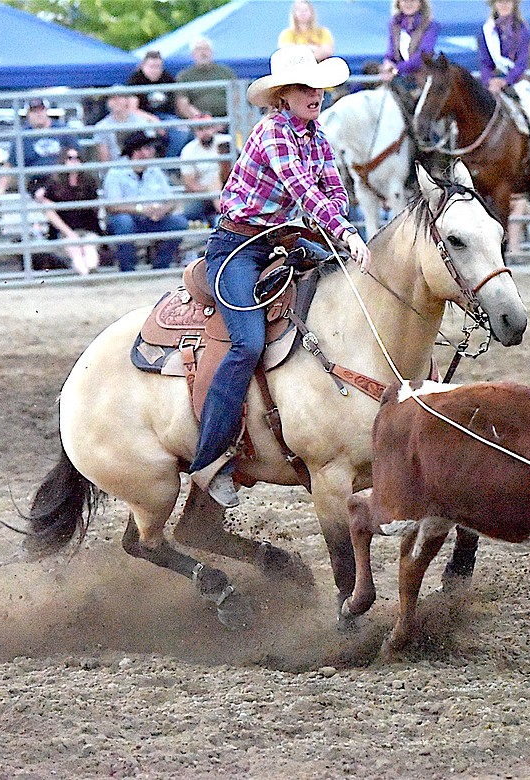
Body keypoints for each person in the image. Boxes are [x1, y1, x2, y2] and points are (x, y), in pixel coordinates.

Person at [188, 45, 370, 508]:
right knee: (247, 343)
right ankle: (211, 461)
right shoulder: (273, 133)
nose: (316, 95)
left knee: (341, 284)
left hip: (280, 241)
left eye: (319, 88)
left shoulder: (316, 136)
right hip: (237, 248)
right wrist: (344, 233)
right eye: (306, 88)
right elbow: (304, 190)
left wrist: (337, 233)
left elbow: (333, 191)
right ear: (283, 96)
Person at [478, 0, 530, 213]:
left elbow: (522, 63)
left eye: (508, 1)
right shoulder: (485, 31)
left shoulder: (522, 30)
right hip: (491, 84)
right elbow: (484, 62)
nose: (504, 5)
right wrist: (490, 81)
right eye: (500, 1)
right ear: (494, 5)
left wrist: (505, 81)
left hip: (516, 84)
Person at [102, 131, 188, 272]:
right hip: (127, 220)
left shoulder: (155, 171)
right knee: (123, 223)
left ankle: (160, 266)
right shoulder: (115, 173)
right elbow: (112, 206)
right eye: (147, 148)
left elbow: (171, 200)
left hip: (152, 219)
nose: (151, 152)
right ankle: (127, 269)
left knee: (179, 223)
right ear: (137, 151)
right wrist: (141, 209)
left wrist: (162, 210)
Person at [36, 148, 103, 274]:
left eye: (77, 158)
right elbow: (48, 210)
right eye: (70, 158)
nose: (74, 161)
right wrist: (69, 233)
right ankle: (86, 275)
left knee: (89, 246)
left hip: (87, 230)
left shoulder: (89, 182)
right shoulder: (54, 185)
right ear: (63, 161)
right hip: (64, 233)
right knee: (74, 248)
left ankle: (91, 271)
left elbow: (94, 211)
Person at [0, 98, 77, 194]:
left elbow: (76, 155)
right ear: (28, 114)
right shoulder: (22, 136)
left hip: (63, 179)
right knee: (42, 194)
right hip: (38, 181)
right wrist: (0, 190)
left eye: (41, 109)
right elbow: (10, 164)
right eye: (34, 111)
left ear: (46, 111)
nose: (38, 114)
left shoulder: (63, 131)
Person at [127, 50, 192, 157]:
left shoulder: (167, 78)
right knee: (178, 133)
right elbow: (132, 109)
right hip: (144, 117)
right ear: (143, 66)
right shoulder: (136, 80)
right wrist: (155, 121)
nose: (155, 70)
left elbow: (178, 102)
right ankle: (165, 166)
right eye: (151, 66)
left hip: (167, 117)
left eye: (158, 67)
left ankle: (171, 163)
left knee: (188, 132)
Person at [179, 116, 230, 227]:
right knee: (189, 211)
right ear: (195, 131)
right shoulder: (188, 150)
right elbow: (189, 183)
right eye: (200, 129)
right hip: (203, 194)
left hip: (229, 188)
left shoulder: (227, 141)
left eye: (208, 128)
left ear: (213, 128)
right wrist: (211, 192)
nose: (205, 132)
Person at [381, 0, 440, 90]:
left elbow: (423, 55)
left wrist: (397, 69)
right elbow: (391, 52)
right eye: (404, 0)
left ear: (420, 3)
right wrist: (388, 63)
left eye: (412, 0)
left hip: (423, 79)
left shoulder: (430, 25)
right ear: (398, 3)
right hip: (400, 77)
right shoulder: (394, 24)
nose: (408, 4)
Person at [176, 38, 238, 120]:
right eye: (199, 49)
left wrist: (224, 122)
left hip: (226, 121)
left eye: (206, 49)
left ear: (212, 52)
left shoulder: (226, 72)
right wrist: (200, 120)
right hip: (196, 123)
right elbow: (182, 104)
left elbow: (237, 99)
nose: (203, 53)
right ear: (192, 54)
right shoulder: (184, 76)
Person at [94, 87, 160, 162]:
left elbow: (150, 150)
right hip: (116, 169)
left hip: (139, 166)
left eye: (120, 97)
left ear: (127, 100)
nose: (116, 101)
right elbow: (104, 160)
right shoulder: (101, 127)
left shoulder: (141, 122)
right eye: (112, 98)